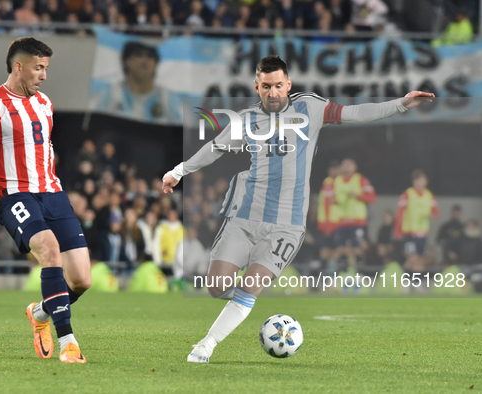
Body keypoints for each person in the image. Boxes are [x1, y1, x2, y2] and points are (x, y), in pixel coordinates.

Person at [162, 55, 434, 363]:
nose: (274, 92)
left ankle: (206, 345)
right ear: (257, 87)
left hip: (287, 224)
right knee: (216, 286)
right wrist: (178, 171)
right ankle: (241, 300)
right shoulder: (247, 119)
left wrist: (401, 103)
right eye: (266, 86)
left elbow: (355, 112)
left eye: (279, 85)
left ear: (288, 84)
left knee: (250, 287)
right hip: (245, 216)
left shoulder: (310, 107)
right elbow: (215, 148)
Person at [0, 37, 91, 363]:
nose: (44, 75)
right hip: (14, 195)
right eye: (39, 68)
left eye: (46, 68)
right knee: (49, 250)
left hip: (52, 193)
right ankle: (68, 344)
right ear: (18, 67)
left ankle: (38, 312)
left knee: (81, 279)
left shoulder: (44, 104)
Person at [90, 41, 179, 123]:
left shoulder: (168, 98)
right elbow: (92, 128)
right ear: (126, 61)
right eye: (139, 55)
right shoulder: (106, 95)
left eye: (150, 56)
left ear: (156, 64)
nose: (145, 60)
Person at [332, 158, 376, 265]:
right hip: (342, 221)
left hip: (357, 221)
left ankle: (359, 274)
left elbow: (372, 197)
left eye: (349, 164)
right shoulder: (337, 181)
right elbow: (336, 198)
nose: (347, 166)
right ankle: (342, 274)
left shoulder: (360, 179)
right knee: (342, 249)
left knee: (357, 248)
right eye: (345, 164)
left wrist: (358, 196)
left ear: (355, 167)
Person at [393, 170, 438, 272]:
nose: (421, 182)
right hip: (409, 232)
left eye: (423, 180)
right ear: (414, 181)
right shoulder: (407, 194)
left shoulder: (429, 195)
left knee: (421, 260)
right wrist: (398, 231)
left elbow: (436, 212)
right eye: (418, 180)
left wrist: (431, 212)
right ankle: (405, 281)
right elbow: (399, 213)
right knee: (412, 258)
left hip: (422, 233)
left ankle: (417, 282)